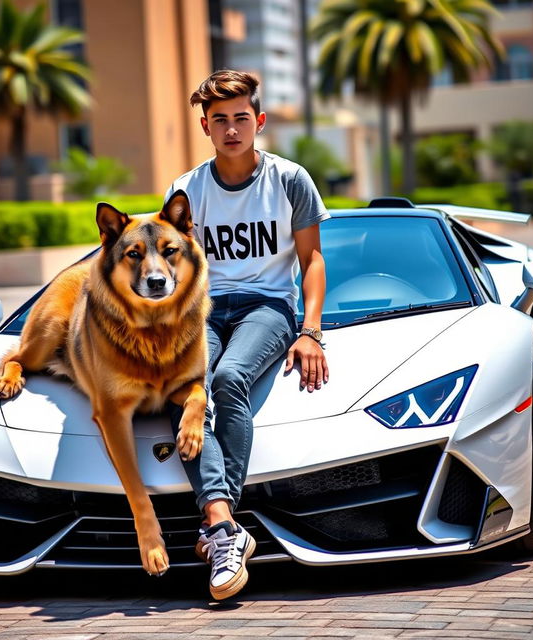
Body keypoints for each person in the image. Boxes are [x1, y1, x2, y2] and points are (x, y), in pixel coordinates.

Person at [166, 69, 329, 600]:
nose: (232, 129)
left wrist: (310, 332)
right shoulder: (186, 189)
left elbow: (312, 260)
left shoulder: (290, 179)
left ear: (258, 122)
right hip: (204, 311)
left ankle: (218, 526)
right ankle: (224, 526)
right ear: (205, 128)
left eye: (241, 118)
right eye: (220, 121)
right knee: (183, 385)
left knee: (231, 376)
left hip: (269, 307)